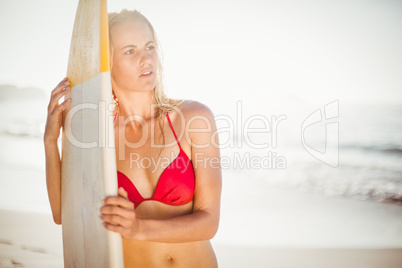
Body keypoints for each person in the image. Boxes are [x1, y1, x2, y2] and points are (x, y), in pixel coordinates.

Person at [44, 9, 222, 267]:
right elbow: (64, 215)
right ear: (106, 65)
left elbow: (209, 222)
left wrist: (139, 228)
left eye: (149, 47)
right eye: (130, 51)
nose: (146, 58)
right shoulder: (97, 140)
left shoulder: (194, 118)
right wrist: (50, 142)